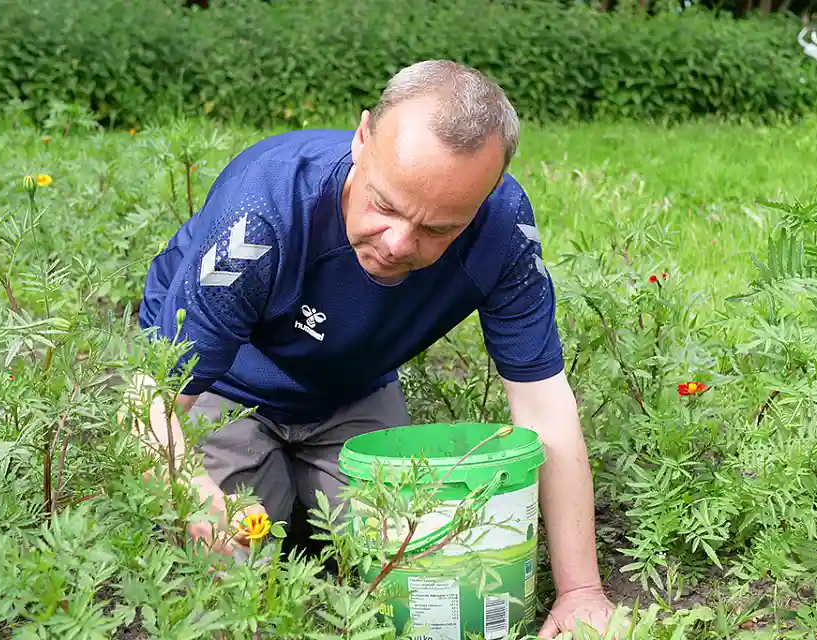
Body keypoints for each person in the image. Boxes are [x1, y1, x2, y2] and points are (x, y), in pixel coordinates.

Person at [135, 59, 615, 637]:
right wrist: (194, 494)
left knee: (415, 562)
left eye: (438, 229)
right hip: (223, 382)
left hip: (350, 386)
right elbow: (150, 401)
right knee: (239, 576)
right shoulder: (264, 210)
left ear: (483, 199)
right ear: (363, 138)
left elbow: (544, 409)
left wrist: (581, 592)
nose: (397, 243)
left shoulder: (504, 230)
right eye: (385, 205)